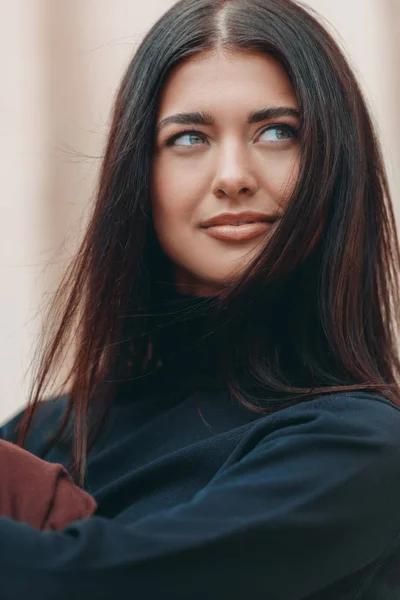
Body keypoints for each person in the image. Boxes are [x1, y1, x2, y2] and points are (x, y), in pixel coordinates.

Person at [0, 0, 400, 597]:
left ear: (334, 166)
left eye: (277, 132)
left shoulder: (362, 446)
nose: (233, 174)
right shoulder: (47, 433)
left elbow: (91, 585)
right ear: (139, 174)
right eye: (189, 137)